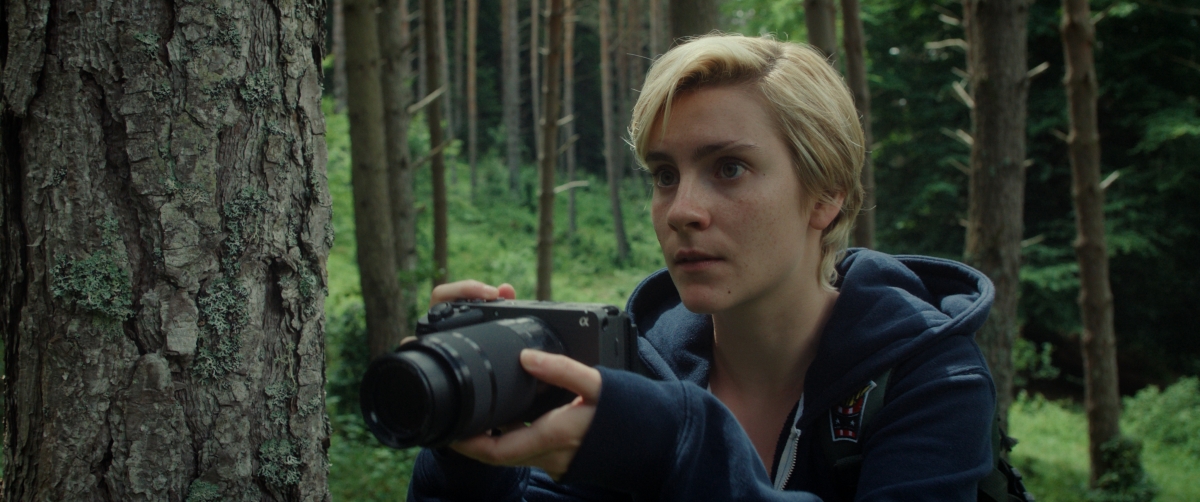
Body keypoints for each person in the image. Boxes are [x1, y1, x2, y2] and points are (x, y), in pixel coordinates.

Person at [407, 33, 997, 501]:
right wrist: (467, 462)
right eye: (665, 175)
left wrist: (677, 447)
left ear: (826, 195)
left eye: (729, 168)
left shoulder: (930, 376)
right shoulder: (636, 368)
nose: (681, 211)